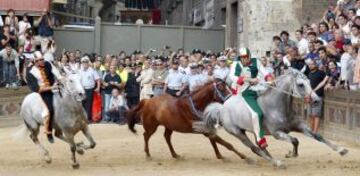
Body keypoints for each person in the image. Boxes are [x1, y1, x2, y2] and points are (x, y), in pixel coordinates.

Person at [229, 47, 272, 149]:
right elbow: (233, 77)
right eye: (242, 57)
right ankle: (260, 139)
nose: (244, 59)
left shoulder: (256, 61)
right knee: (257, 113)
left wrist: (269, 78)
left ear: (249, 56)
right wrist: (248, 79)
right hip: (243, 90)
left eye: (246, 57)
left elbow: (265, 72)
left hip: (256, 87)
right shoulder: (236, 64)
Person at [26, 51, 63, 143]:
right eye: (39, 60)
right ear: (35, 61)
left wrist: (61, 79)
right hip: (43, 93)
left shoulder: (48, 64)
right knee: (50, 110)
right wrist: (51, 87)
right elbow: (37, 89)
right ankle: (49, 132)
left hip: (55, 87)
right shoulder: (30, 72)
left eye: (42, 59)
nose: (42, 61)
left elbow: (57, 73)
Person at [307, 60, 328, 133]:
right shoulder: (309, 74)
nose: (310, 66)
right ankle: (311, 130)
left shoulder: (320, 72)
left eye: (312, 64)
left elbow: (326, 79)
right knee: (311, 115)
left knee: (316, 115)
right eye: (309, 64)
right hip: (311, 96)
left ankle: (315, 132)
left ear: (316, 65)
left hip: (318, 96)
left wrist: (327, 85)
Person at [79, 56, 101, 122]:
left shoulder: (92, 70)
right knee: (82, 104)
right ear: (82, 64)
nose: (84, 64)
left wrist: (98, 87)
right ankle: (82, 119)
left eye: (86, 62)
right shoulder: (80, 71)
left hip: (90, 89)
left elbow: (98, 80)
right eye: (83, 62)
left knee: (89, 104)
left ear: (88, 63)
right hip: (82, 90)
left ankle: (88, 119)